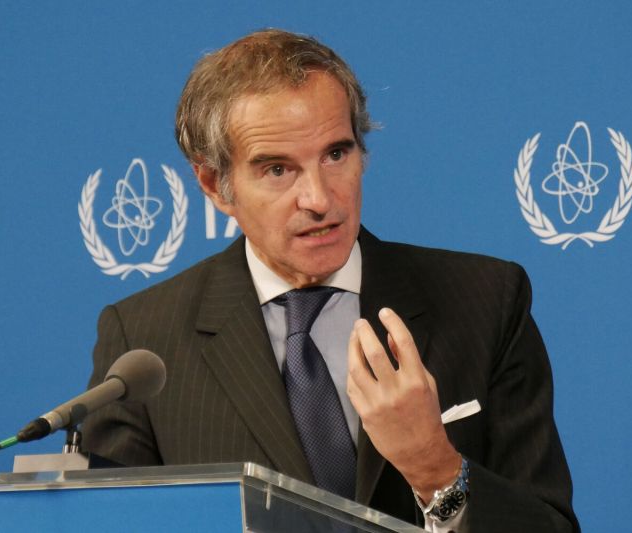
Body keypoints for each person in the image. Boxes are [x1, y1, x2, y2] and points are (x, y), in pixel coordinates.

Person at [82, 29, 579, 532]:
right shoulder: (145, 340)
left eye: (336, 155)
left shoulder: (485, 301)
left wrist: (434, 466)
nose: (319, 199)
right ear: (214, 185)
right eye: (278, 170)